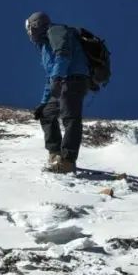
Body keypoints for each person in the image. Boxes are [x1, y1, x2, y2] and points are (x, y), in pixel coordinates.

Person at [25, 11, 89, 173]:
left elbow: (63, 54)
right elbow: (50, 77)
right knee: (46, 114)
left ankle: (67, 161)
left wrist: (57, 77)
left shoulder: (55, 31)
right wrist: (43, 102)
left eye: (29, 28)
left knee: (70, 117)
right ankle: (55, 155)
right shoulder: (44, 47)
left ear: (35, 25)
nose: (29, 32)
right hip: (62, 80)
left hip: (73, 79)